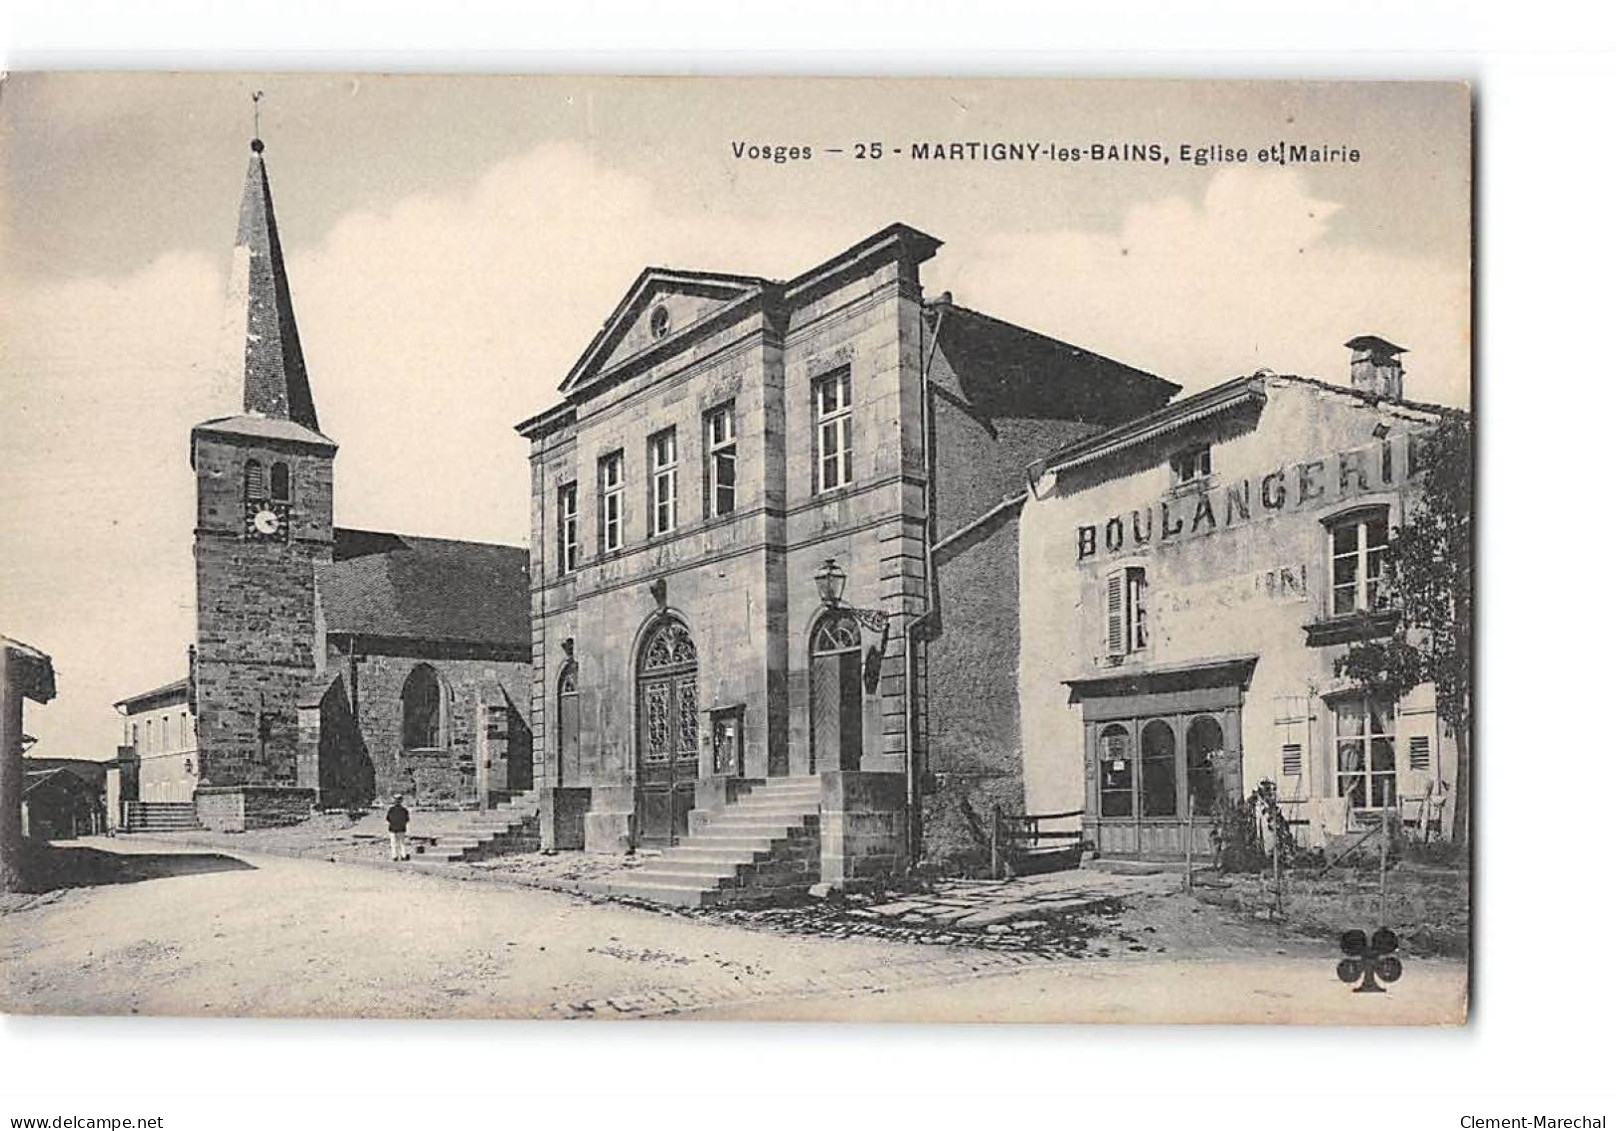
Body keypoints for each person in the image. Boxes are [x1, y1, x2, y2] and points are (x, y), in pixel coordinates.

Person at [386, 795, 410, 861]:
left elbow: (388, 818)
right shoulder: (404, 810)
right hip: (401, 828)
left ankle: (394, 856)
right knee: (402, 843)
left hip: (392, 828)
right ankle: (403, 855)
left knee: (393, 843)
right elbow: (407, 819)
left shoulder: (391, 810)